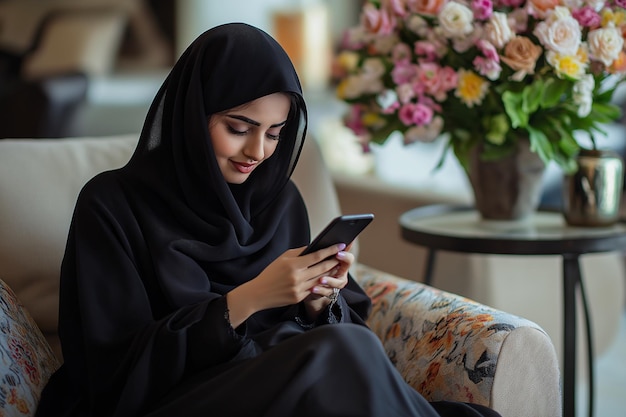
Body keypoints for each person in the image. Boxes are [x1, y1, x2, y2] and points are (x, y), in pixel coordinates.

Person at [35, 23, 502, 417]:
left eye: (274, 134)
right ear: (191, 116)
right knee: (345, 352)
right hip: (174, 401)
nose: (257, 153)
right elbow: (112, 369)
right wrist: (250, 298)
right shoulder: (112, 204)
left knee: (346, 349)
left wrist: (319, 299)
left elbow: (325, 333)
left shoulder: (278, 200)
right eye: (238, 129)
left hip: (284, 390)